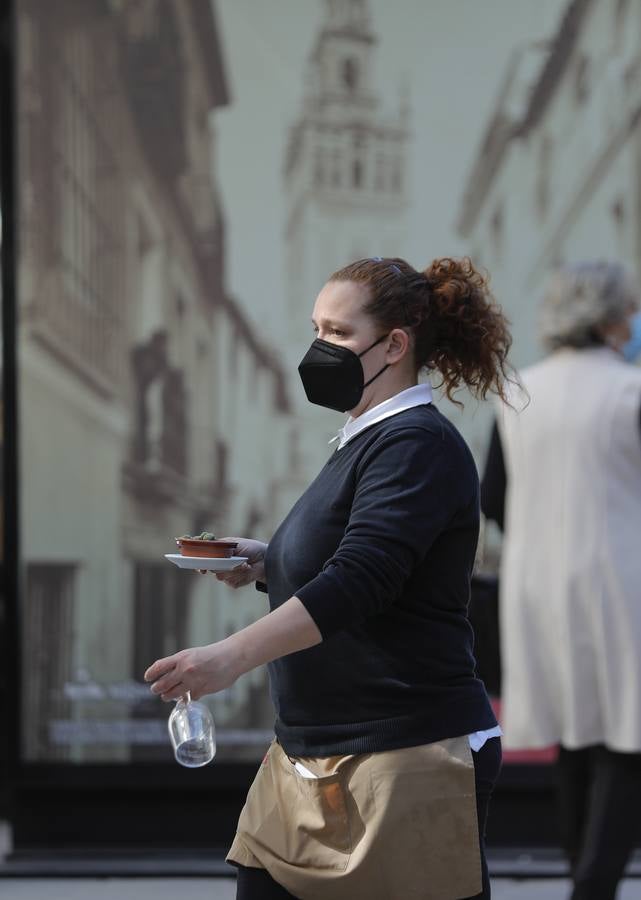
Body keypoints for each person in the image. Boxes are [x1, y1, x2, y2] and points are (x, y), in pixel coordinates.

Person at [145, 255, 512, 900]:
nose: (320, 347)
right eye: (317, 328)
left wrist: (227, 659)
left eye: (339, 333)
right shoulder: (362, 437)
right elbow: (359, 563)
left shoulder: (415, 443)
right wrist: (267, 561)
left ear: (395, 345)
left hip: (403, 753)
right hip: (311, 752)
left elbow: (361, 579)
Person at [481, 261, 641, 900]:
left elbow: (492, 496)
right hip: (623, 580)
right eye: (628, 310)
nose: (632, 322)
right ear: (606, 319)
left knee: (575, 736)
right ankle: (592, 889)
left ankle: (585, 878)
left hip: (537, 582)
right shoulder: (630, 392)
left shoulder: (517, 391)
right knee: (627, 734)